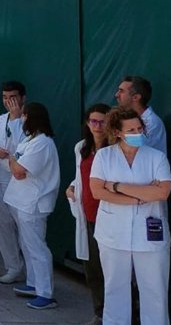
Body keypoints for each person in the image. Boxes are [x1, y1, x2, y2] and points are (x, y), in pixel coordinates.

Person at [90, 107, 171, 325]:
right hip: (113, 233)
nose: (137, 133)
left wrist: (116, 186)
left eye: (139, 128)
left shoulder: (156, 157)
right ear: (117, 132)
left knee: (155, 290)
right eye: (131, 130)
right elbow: (97, 191)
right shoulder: (104, 156)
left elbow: (162, 192)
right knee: (115, 288)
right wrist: (139, 197)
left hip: (150, 234)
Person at [4, 102, 61, 310]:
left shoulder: (43, 143)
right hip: (21, 202)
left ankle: (46, 293)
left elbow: (19, 170)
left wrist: (12, 160)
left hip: (33, 204)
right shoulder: (31, 139)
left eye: (25, 116)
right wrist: (14, 161)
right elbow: (16, 164)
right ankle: (34, 283)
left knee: (37, 248)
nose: (22, 119)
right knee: (27, 245)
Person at [65, 103, 111, 325]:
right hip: (88, 215)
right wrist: (73, 187)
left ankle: (124, 315)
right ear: (87, 123)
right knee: (93, 269)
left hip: (110, 217)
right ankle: (100, 313)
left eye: (102, 121)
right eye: (94, 121)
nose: (98, 126)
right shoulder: (81, 147)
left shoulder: (115, 148)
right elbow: (81, 175)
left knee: (115, 271)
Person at [0, 81, 27, 284]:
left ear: (23, 98)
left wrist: (17, 119)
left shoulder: (28, 121)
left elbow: (24, 146)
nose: (9, 101)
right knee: (3, 225)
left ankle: (31, 269)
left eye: (13, 97)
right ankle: (13, 266)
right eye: (5, 97)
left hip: (20, 180)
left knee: (23, 227)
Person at [115, 76, 167, 155]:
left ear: (136, 97)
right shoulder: (124, 119)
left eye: (121, 91)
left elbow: (135, 151)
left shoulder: (152, 122)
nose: (116, 95)